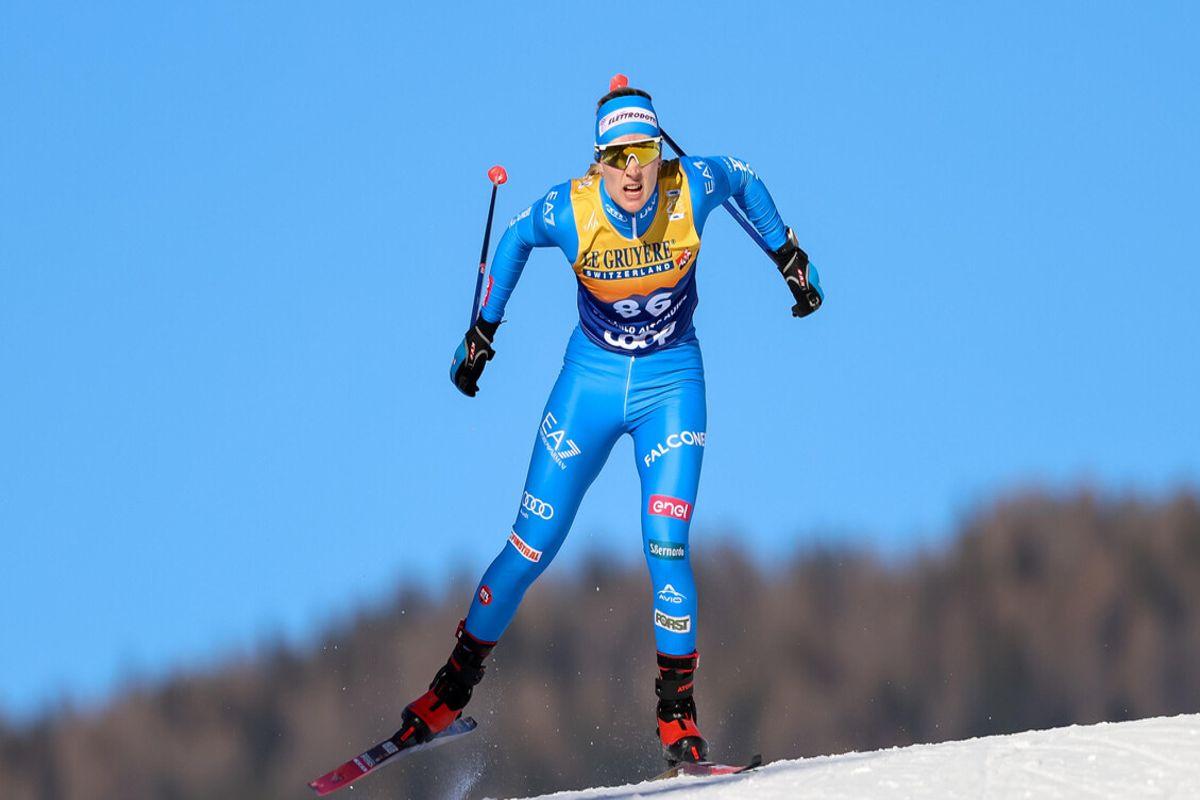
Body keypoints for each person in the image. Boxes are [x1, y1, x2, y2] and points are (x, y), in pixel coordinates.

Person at [396, 81, 823, 765]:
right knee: (530, 545)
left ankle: (677, 714)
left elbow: (743, 179)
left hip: (672, 386)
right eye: (617, 156)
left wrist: (789, 255)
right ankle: (451, 688)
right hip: (588, 386)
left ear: (660, 151)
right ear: (598, 162)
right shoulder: (573, 208)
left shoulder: (693, 185)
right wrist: (481, 332)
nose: (632, 171)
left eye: (644, 153)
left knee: (666, 544)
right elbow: (513, 238)